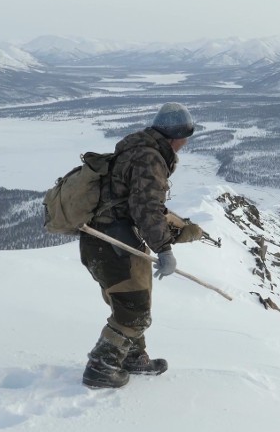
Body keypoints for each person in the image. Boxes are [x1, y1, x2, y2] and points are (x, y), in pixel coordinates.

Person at [79, 102, 203, 389]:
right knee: (134, 310)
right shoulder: (150, 159)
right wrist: (164, 249)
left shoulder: (136, 149)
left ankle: (132, 357)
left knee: (131, 303)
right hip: (113, 244)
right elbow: (146, 208)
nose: (184, 144)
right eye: (184, 137)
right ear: (173, 137)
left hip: (103, 241)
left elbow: (137, 204)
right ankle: (101, 367)